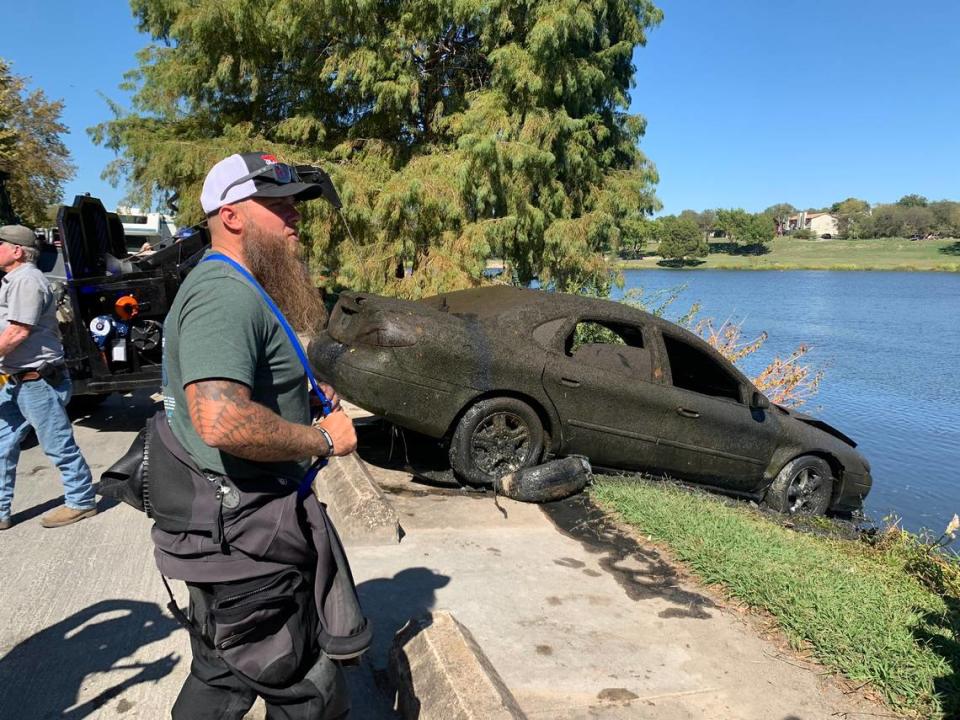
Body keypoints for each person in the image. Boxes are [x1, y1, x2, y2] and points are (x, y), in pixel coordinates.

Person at [156, 152, 358, 719]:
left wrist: (300, 385)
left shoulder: (237, 283)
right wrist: (323, 439)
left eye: (293, 203)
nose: (293, 216)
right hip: (246, 538)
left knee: (223, 670)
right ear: (233, 215)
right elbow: (221, 419)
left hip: (231, 530)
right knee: (299, 685)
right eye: (277, 205)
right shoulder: (225, 292)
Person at [0, 224, 96, 531]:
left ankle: (82, 501)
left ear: (17, 250)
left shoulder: (27, 280)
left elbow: (17, 331)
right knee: (2, 446)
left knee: (58, 445)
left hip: (37, 381)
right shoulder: (12, 280)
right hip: (16, 379)